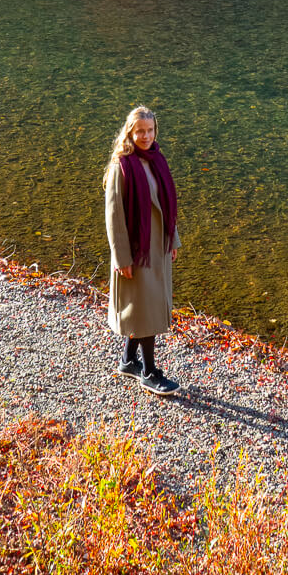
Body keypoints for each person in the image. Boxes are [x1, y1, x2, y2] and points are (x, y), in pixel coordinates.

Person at [103, 104, 181, 395]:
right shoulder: (120, 167)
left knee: (144, 306)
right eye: (140, 131)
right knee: (146, 309)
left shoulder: (156, 159)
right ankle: (148, 372)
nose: (146, 136)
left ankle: (127, 361)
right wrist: (121, 257)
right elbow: (114, 218)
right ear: (130, 132)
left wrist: (173, 240)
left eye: (150, 130)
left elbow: (167, 204)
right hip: (137, 252)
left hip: (158, 247)